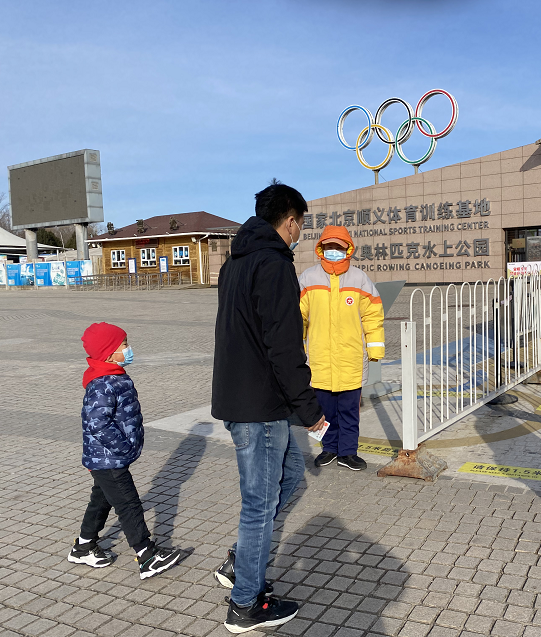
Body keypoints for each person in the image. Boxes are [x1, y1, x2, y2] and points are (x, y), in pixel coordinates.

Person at [211, 182, 326, 633]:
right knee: (259, 505)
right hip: (258, 406)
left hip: (250, 399)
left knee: (291, 475)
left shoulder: (235, 262)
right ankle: (246, 604)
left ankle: (241, 561)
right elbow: (284, 346)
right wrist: (310, 409)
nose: (300, 234)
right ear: (290, 221)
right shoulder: (274, 265)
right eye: (301, 225)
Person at [69, 322, 183, 579]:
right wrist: (124, 447)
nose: (129, 349)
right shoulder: (102, 383)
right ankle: (147, 555)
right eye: (124, 345)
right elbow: (97, 423)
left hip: (108, 458)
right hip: (108, 458)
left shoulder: (115, 376)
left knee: (101, 500)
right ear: (109, 353)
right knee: (129, 504)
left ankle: (83, 547)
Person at [299, 226, 385, 471]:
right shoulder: (308, 278)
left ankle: (348, 452)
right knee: (325, 411)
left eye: (338, 246)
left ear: (348, 249)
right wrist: (296, 351)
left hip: (350, 359)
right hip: (320, 360)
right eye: (329, 246)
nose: (333, 250)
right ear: (321, 248)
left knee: (349, 411)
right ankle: (328, 448)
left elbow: (372, 316)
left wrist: (375, 348)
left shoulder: (359, 279)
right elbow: (298, 317)